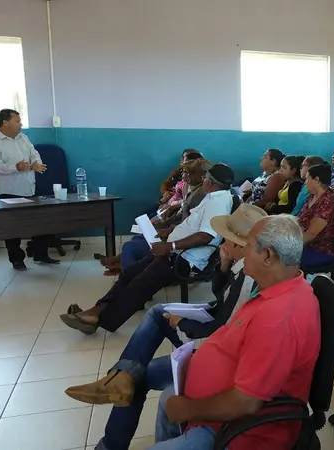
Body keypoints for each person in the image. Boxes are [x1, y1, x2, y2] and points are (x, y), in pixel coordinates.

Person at [63, 204, 268, 450]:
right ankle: (121, 375)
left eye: (227, 237)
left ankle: (120, 391)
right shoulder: (239, 268)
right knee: (157, 313)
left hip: (213, 348)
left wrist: (183, 323)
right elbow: (222, 301)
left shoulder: (250, 280)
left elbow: (221, 336)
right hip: (215, 331)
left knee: (137, 377)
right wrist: (224, 266)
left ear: (239, 244)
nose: (222, 240)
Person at [149, 215, 319, 450]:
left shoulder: (278, 320)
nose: (243, 251)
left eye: (248, 245)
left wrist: (187, 408)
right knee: (167, 398)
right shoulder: (273, 288)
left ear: (268, 256)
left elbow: (245, 403)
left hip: (241, 433)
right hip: (221, 412)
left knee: (168, 401)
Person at [59, 164, 237, 333]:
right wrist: (170, 230)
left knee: (139, 284)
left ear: (210, 183)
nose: (203, 180)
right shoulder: (213, 197)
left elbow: (206, 236)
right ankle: (96, 310)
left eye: (205, 177)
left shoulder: (219, 203)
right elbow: (194, 224)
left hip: (185, 260)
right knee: (129, 273)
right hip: (174, 253)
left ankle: (101, 319)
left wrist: (170, 245)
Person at [100, 158, 211, 275]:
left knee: (130, 247)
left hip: (177, 239)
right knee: (137, 238)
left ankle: (127, 274)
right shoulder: (192, 189)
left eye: (188, 173)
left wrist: (168, 227)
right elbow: (182, 215)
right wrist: (165, 224)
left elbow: (188, 222)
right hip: (174, 231)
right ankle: (125, 265)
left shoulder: (200, 195)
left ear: (200, 177)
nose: (184, 176)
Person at [0, 108, 56, 270]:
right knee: (12, 227)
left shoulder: (23, 138)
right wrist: (16, 167)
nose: (20, 124)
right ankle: (17, 260)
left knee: (40, 222)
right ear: (5, 123)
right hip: (9, 190)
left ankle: (41, 254)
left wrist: (36, 162)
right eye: (17, 121)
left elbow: (34, 153)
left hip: (30, 187)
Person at [297, 164, 334, 267]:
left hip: (320, 250)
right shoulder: (312, 196)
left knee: (277, 261)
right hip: (304, 245)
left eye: (307, 179)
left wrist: (286, 245)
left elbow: (310, 235)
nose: (305, 182)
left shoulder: (326, 202)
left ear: (316, 180)